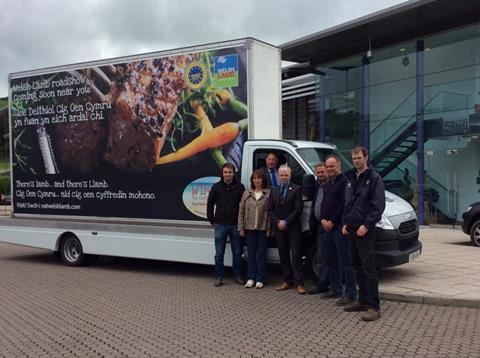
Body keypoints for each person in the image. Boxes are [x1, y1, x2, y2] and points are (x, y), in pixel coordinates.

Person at [342, 146, 385, 322]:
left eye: (359, 158)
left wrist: (367, 225)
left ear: (366, 157)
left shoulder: (374, 178)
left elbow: (378, 206)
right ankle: (362, 300)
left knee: (368, 268)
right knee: (356, 265)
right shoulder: (350, 176)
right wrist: (345, 222)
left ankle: (374, 306)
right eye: (354, 158)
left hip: (364, 230)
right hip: (351, 228)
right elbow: (347, 202)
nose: (357, 161)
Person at [319, 156, 357, 306]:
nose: (329, 169)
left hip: (339, 227)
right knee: (331, 260)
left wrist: (332, 221)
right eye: (327, 166)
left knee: (345, 261)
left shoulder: (345, 182)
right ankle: (335, 289)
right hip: (327, 228)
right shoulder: (328, 184)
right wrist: (322, 219)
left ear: (339, 166)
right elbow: (324, 204)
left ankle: (350, 293)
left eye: (332, 166)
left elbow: (343, 205)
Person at [267, 165, 305, 294]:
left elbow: (298, 208)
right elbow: (269, 210)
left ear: (290, 176)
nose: (283, 177)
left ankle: (299, 283)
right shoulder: (273, 190)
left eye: (286, 175)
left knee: (296, 255)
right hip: (279, 228)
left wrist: (286, 221)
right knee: (283, 255)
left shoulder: (296, 189)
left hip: (293, 228)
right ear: (278, 176)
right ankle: (287, 281)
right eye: (281, 175)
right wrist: (278, 222)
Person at [207, 162, 246, 287]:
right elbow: (210, 204)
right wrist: (212, 220)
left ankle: (238, 276)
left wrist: (242, 223)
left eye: (230, 172)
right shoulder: (216, 187)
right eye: (225, 172)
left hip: (235, 224)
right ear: (222, 173)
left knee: (237, 252)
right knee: (219, 253)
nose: (227, 174)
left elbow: (244, 207)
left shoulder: (240, 187)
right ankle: (219, 277)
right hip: (220, 224)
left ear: (233, 173)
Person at [238, 169, 271, 289]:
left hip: (262, 229)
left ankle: (260, 279)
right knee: (251, 255)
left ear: (263, 179)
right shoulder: (247, 193)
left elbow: (270, 213)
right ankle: (251, 278)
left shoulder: (268, 193)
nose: (257, 180)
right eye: (255, 178)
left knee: (261, 255)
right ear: (252, 180)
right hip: (249, 229)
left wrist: (269, 229)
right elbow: (241, 212)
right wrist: (240, 227)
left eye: (259, 178)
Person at [308, 162, 329, 295]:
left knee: (329, 255)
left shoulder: (331, 185)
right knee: (321, 255)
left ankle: (329, 284)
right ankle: (322, 283)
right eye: (318, 172)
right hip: (318, 225)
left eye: (322, 172)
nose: (320, 174)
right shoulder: (317, 186)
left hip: (329, 225)